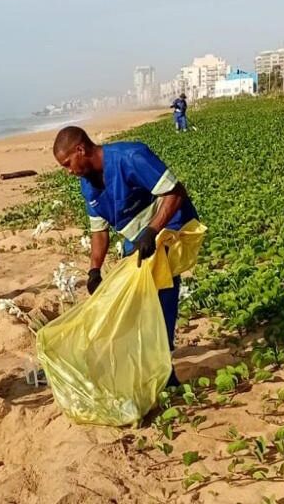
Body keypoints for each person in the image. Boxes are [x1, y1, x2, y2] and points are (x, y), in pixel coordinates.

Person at [53, 127, 199, 387]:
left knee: (158, 295)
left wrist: (153, 231)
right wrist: (94, 270)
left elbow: (175, 193)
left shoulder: (131, 156)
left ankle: (165, 372)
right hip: (138, 239)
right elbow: (99, 232)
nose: (68, 171)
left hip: (170, 227)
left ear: (80, 150)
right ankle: (152, 363)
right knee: (135, 301)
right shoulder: (88, 186)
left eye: (67, 164)